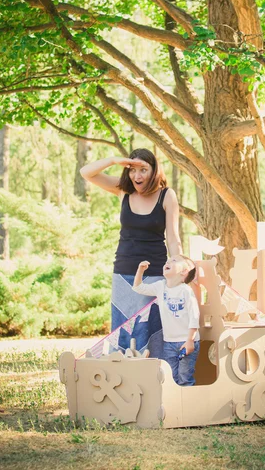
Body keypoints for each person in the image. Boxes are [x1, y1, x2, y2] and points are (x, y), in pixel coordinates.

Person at [80, 149, 182, 357]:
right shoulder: (123, 191)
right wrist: (114, 160)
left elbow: (173, 238)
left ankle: (154, 378)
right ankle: (123, 378)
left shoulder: (166, 195)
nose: (137, 176)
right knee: (122, 330)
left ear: (154, 171)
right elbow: (86, 172)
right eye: (133, 170)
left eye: (143, 170)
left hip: (154, 274)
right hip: (124, 273)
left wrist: (178, 269)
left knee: (151, 328)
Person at [132, 255, 200, 386]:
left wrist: (190, 340)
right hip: (169, 342)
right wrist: (140, 270)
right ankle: (174, 403)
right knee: (171, 377)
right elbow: (138, 287)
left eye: (174, 261)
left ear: (184, 271)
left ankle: (187, 403)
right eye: (167, 261)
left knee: (185, 376)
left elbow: (194, 315)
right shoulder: (160, 286)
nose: (167, 262)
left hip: (187, 341)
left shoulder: (185, 290)